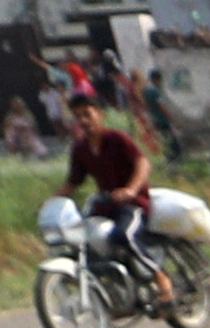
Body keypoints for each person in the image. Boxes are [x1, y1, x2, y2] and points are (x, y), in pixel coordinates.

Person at [63, 91, 157, 283]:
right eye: (78, 116)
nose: (83, 120)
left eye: (87, 114)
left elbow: (143, 163)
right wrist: (50, 202)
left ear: (100, 114)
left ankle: (161, 279)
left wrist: (130, 190)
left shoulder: (117, 139)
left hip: (133, 205)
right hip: (105, 206)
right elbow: (73, 182)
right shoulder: (80, 149)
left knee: (123, 236)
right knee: (82, 240)